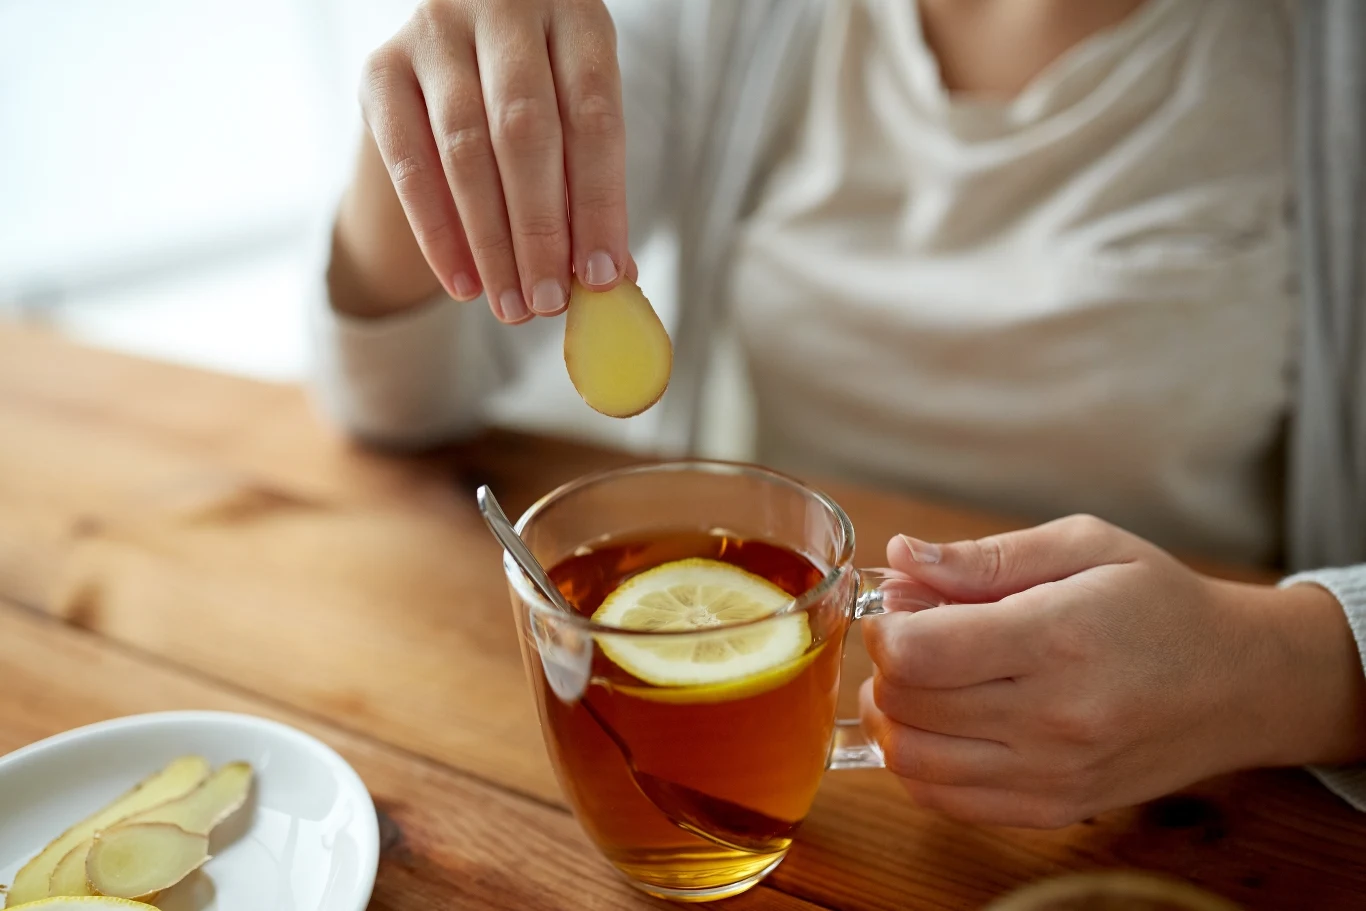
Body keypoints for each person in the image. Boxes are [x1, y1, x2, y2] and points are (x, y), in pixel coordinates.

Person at [314, 0, 1366, 827]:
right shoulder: (726, 18)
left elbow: (1293, 668)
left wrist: (1281, 667)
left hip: (1216, 806)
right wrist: (428, 111)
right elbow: (397, 394)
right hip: (748, 786)